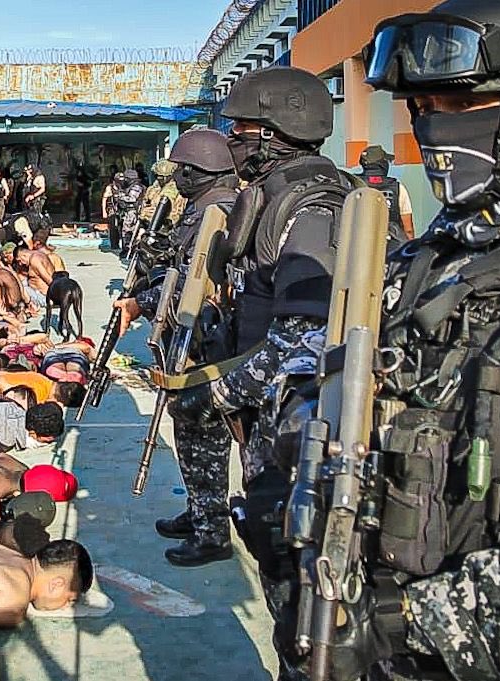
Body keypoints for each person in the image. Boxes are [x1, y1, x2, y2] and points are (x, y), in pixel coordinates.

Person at [282, 2, 500, 680]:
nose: (431, 128)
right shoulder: (429, 257)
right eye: (421, 108)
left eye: (455, 104)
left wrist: (409, 621)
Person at [165, 66, 353, 568]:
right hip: (259, 375)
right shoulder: (272, 197)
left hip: (295, 403)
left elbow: (305, 339)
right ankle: (207, 518)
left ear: (271, 136)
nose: (232, 140)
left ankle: (215, 529)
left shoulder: (312, 210)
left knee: (284, 553)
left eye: (240, 130)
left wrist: (221, 391)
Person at [110, 129, 240, 567]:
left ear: (204, 171)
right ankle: (200, 509)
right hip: (190, 335)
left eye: (185, 169)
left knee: (205, 434)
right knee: (188, 429)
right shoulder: (200, 208)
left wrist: (141, 302)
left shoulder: (219, 211)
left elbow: (193, 281)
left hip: (208, 342)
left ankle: (212, 530)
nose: (178, 177)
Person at [356, 144, 416, 243]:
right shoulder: (398, 188)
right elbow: (408, 230)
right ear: (383, 164)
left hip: (361, 245)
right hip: (391, 246)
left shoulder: (353, 184)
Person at [139, 158, 188, 227]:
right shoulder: (153, 189)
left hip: (163, 226)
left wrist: (169, 222)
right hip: (146, 223)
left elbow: (177, 212)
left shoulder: (178, 190)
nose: (159, 178)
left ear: (170, 176)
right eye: (157, 175)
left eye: (162, 176)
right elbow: (145, 203)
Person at [111, 170, 146, 254]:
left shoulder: (136, 187)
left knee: (129, 232)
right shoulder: (127, 186)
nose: (124, 180)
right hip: (126, 211)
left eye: (126, 178)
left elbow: (132, 199)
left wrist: (119, 196)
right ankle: (126, 248)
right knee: (124, 231)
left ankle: (130, 250)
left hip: (133, 212)